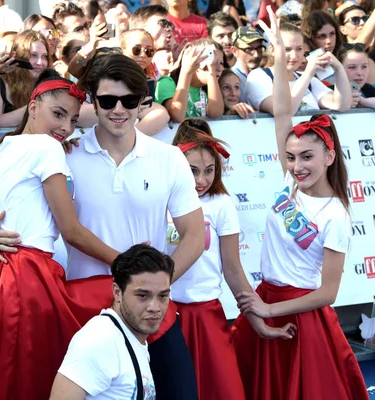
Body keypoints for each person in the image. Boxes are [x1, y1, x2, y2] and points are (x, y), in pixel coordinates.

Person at [0, 54, 205, 399]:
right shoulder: (62, 153)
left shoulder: (168, 158)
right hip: (82, 308)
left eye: (129, 100)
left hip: (152, 312)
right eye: (107, 100)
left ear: (142, 102)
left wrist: (153, 285)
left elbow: (195, 235)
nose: (118, 109)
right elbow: (15, 210)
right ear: (93, 103)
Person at [0, 70, 122, 400]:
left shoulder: (4, 145)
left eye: (73, 120)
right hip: (27, 276)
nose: (66, 127)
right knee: (33, 376)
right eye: (58, 114)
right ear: (33, 106)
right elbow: (72, 231)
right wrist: (125, 262)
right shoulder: (45, 149)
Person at [232, 8, 369, 400]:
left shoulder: (336, 214)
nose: (296, 165)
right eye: (291, 157)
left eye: (306, 157)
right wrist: (277, 51)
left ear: (329, 157)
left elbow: (328, 293)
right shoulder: (287, 182)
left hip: (300, 319)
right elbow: (282, 114)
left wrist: (271, 312)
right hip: (266, 299)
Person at [170, 119, 296, 400]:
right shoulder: (159, 201)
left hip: (207, 317)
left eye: (209, 170)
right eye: (192, 171)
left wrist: (258, 319)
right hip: (165, 318)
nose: (201, 180)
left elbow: (233, 269)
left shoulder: (221, 205)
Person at [49, 244, 172, 400]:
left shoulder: (130, 337)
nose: (154, 307)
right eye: (142, 296)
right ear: (117, 292)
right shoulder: (101, 340)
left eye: (162, 296)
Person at [246, 22, 352, 115]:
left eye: (299, 49)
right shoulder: (258, 76)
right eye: (287, 49)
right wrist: (309, 72)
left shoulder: (310, 81)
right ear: (273, 50)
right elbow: (283, 110)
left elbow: (341, 105)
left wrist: (339, 68)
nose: (294, 56)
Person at [156, 39, 225, 122]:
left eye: (221, 63)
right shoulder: (167, 82)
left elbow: (215, 114)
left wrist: (211, 70)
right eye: (211, 61)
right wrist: (187, 71)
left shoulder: (208, 90)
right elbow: (177, 116)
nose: (220, 68)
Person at [230, 26, 266, 103]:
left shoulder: (268, 75)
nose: (256, 55)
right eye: (249, 49)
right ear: (234, 51)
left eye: (259, 48)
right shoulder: (228, 79)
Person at [338, 42, 375, 107]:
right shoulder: (328, 91)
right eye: (352, 67)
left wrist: (363, 101)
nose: (360, 73)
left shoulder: (369, 89)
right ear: (338, 68)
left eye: (364, 67)